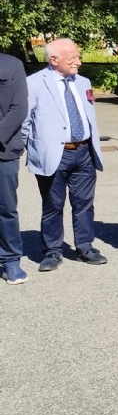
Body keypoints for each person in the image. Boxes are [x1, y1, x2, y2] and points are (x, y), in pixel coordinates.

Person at [24, 38, 107, 271]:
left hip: (84, 152)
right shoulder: (34, 83)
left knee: (84, 204)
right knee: (53, 204)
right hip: (54, 154)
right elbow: (25, 121)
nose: (79, 62)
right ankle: (52, 251)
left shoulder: (83, 82)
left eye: (78, 57)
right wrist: (24, 151)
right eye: (73, 59)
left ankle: (85, 247)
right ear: (54, 60)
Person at [0, 52, 29, 284]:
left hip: (3, 151)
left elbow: (18, 108)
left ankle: (10, 259)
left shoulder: (11, 64)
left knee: (5, 208)